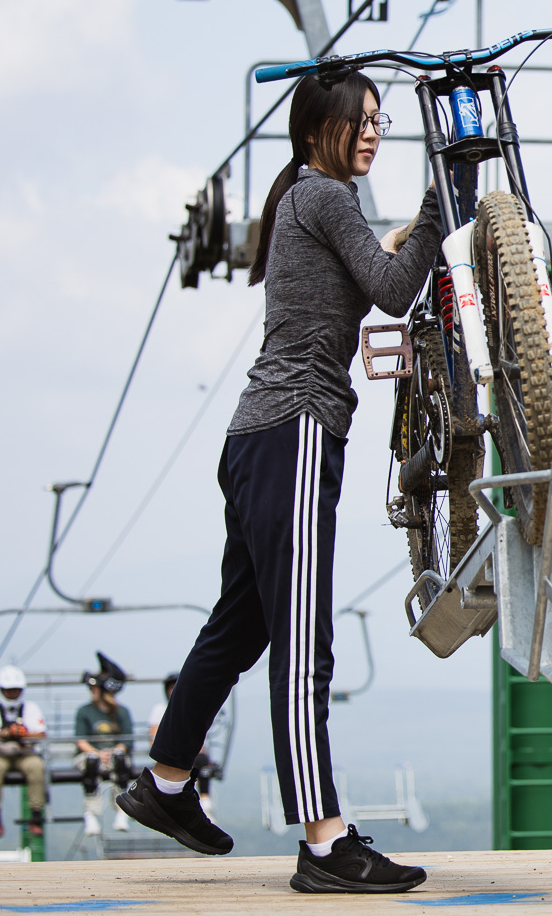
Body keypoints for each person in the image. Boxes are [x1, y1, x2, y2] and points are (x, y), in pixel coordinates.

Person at [117, 69, 442, 894]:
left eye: (380, 120)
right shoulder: (328, 197)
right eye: (359, 122)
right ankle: (325, 845)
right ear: (314, 130)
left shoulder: (306, 196)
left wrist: (403, 233)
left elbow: (369, 273)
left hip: (257, 435)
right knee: (303, 644)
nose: (373, 133)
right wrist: (448, 194)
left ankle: (163, 784)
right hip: (295, 430)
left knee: (241, 626)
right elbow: (393, 292)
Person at [0, 665, 46, 840]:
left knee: (36, 767)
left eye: (15, 690)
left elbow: (40, 733)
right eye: (9, 691)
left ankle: (36, 817)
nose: (12, 694)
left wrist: (23, 733)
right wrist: (6, 733)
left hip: (25, 754)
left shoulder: (30, 708)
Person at [74, 653, 134, 837]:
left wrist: (115, 750)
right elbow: (81, 740)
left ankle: (121, 808)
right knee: (91, 761)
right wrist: (98, 753)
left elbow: (127, 740)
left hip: (114, 755)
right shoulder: (84, 712)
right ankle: (91, 812)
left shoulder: (121, 712)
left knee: (120, 760)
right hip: (92, 756)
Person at [148, 673, 217, 818]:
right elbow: (153, 737)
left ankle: (204, 801)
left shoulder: (191, 710)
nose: (174, 690)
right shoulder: (160, 710)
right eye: (171, 687)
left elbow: (199, 739)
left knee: (202, 760)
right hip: (168, 750)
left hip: (188, 751)